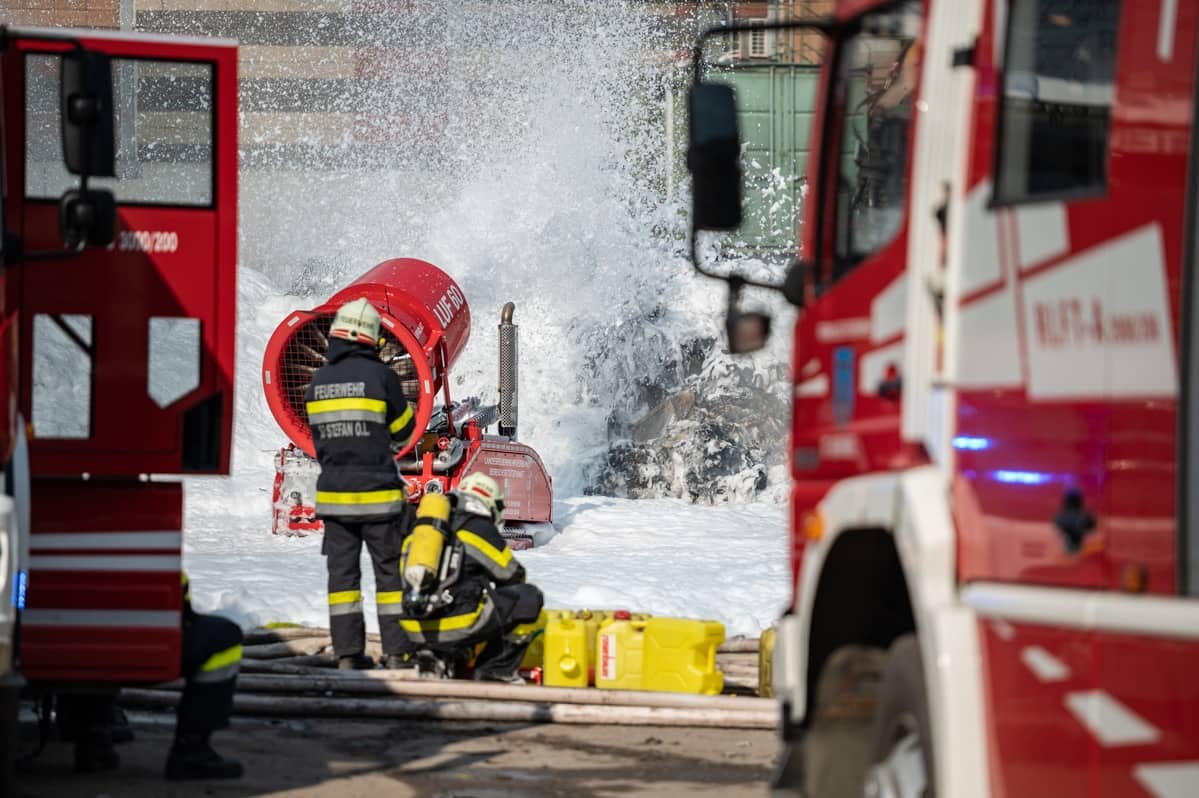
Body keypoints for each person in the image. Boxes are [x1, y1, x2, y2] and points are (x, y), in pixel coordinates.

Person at [305, 297, 418, 669]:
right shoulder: (381, 377)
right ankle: (397, 655)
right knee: (390, 579)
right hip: (379, 499)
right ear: (371, 336)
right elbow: (404, 433)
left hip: (335, 500)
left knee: (343, 582)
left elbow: (318, 440)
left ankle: (349, 656)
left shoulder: (317, 382)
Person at [59, 571, 243, 780]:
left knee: (86, 632)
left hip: (57, 651)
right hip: (143, 650)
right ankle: (192, 751)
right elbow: (176, 595)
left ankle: (92, 732)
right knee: (225, 637)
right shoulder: (141, 550)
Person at [398, 473, 544, 683]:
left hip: (412, 625)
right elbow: (513, 575)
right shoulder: (478, 527)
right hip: (455, 626)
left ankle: (441, 655)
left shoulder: (427, 527)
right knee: (527, 597)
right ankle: (493, 669)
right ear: (491, 503)